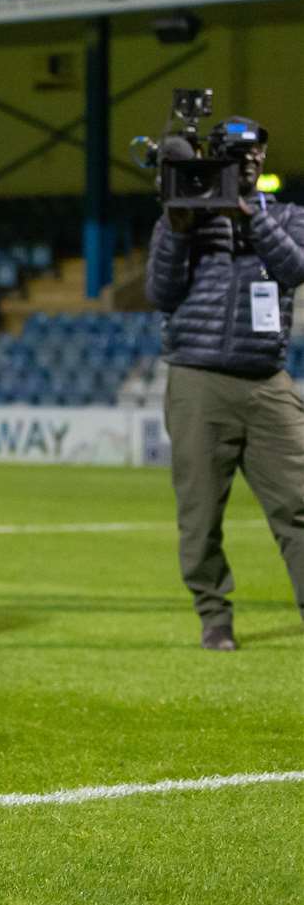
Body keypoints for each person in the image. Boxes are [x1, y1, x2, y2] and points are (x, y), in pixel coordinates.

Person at [144, 116, 304, 650]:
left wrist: (249, 217)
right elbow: (161, 293)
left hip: (266, 380)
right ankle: (214, 617)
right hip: (198, 378)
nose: (250, 162)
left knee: (299, 506)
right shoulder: (184, 218)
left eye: (257, 153)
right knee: (201, 512)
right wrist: (177, 226)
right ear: (216, 160)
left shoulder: (287, 217)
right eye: (237, 156)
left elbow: (296, 267)